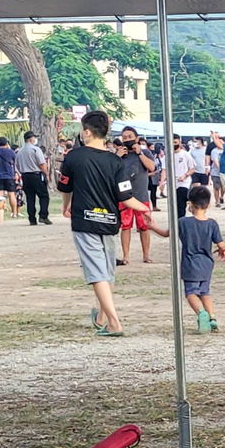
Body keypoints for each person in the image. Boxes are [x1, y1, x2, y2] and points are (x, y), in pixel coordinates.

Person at [58, 111, 168, 337]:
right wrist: (145, 208)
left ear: (86, 132)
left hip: (85, 220)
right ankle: (101, 317)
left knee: (97, 273)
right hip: (109, 221)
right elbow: (126, 197)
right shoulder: (116, 161)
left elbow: (65, 187)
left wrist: (66, 206)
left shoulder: (73, 157)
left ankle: (114, 322)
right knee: (107, 271)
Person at [178, 185, 225, 332]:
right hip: (207, 264)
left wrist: (152, 226)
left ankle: (201, 313)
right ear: (208, 204)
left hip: (190, 264)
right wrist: (222, 250)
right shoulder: (212, 223)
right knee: (205, 292)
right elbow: (221, 244)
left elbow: (167, 233)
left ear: (190, 204)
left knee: (191, 292)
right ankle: (212, 318)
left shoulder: (183, 222)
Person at [115, 126, 157, 265]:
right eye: (124, 137)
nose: (127, 139)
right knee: (125, 226)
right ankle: (126, 256)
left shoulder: (145, 152)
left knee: (144, 226)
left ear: (137, 138)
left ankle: (146, 255)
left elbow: (152, 168)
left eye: (130, 137)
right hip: (124, 196)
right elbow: (110, 171)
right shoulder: (119, 154)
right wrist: (117, 157)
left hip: (141, 196)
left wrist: (139, 153)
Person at [16, 131, 51, 225]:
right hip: (36, 175)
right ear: (31, 139)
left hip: (25, 176)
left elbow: (18, 166)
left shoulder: (19, 151)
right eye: (34, 138)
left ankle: (32, 219)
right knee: (44, 196)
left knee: (30, 198)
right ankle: (43, 216)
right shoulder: (35, 149)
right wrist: (46, 174)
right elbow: (42, 163)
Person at [0, 134, 19, 218]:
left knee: (0, 195)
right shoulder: (11, 152)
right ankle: (14, 213)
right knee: (11, 194)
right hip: (9, 176)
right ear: (6, 143)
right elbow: (15, 164)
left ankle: (0, 211)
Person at [171, 137, 196, 219]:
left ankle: (180, 220)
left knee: (181, 202)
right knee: (174, 204)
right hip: (173, 183)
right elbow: (164, 169)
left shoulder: (185, 154)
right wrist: (162, 182)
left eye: (175, 142)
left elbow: (192, 168)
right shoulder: (168, 155)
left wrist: (185, 175)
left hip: (184, 183)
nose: (174, 144)